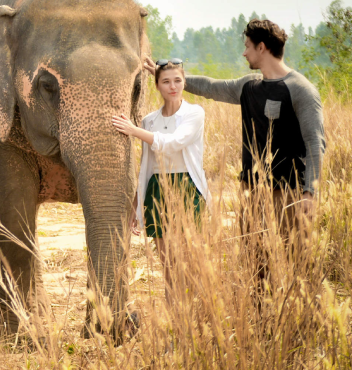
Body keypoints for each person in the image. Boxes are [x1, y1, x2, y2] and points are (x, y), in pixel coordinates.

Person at [145, 20, 325, 282]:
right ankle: (263, 320)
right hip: (253, 195)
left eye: (247, 47)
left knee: (294, 268)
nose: (244, 53)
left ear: (261, 48)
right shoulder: (249, 86)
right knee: (257, 269)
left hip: (289, 195)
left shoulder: (301, 90)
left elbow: (315, 143)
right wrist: (167, 76)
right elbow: (211, 87)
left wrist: (310, 192)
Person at [112, 59, 209, 297]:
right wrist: (137, 205)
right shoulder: (150, 121)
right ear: (157, 85)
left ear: (184, 82)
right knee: (167, 262)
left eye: (177, 80)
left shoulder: (194, 113)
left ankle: (193, 313)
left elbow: (174, 143)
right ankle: (174, 314)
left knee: (187, 258)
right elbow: (147, 165)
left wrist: (134, 131)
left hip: (188, 187)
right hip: (158, 189)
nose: (173, 86)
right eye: (166, 81)